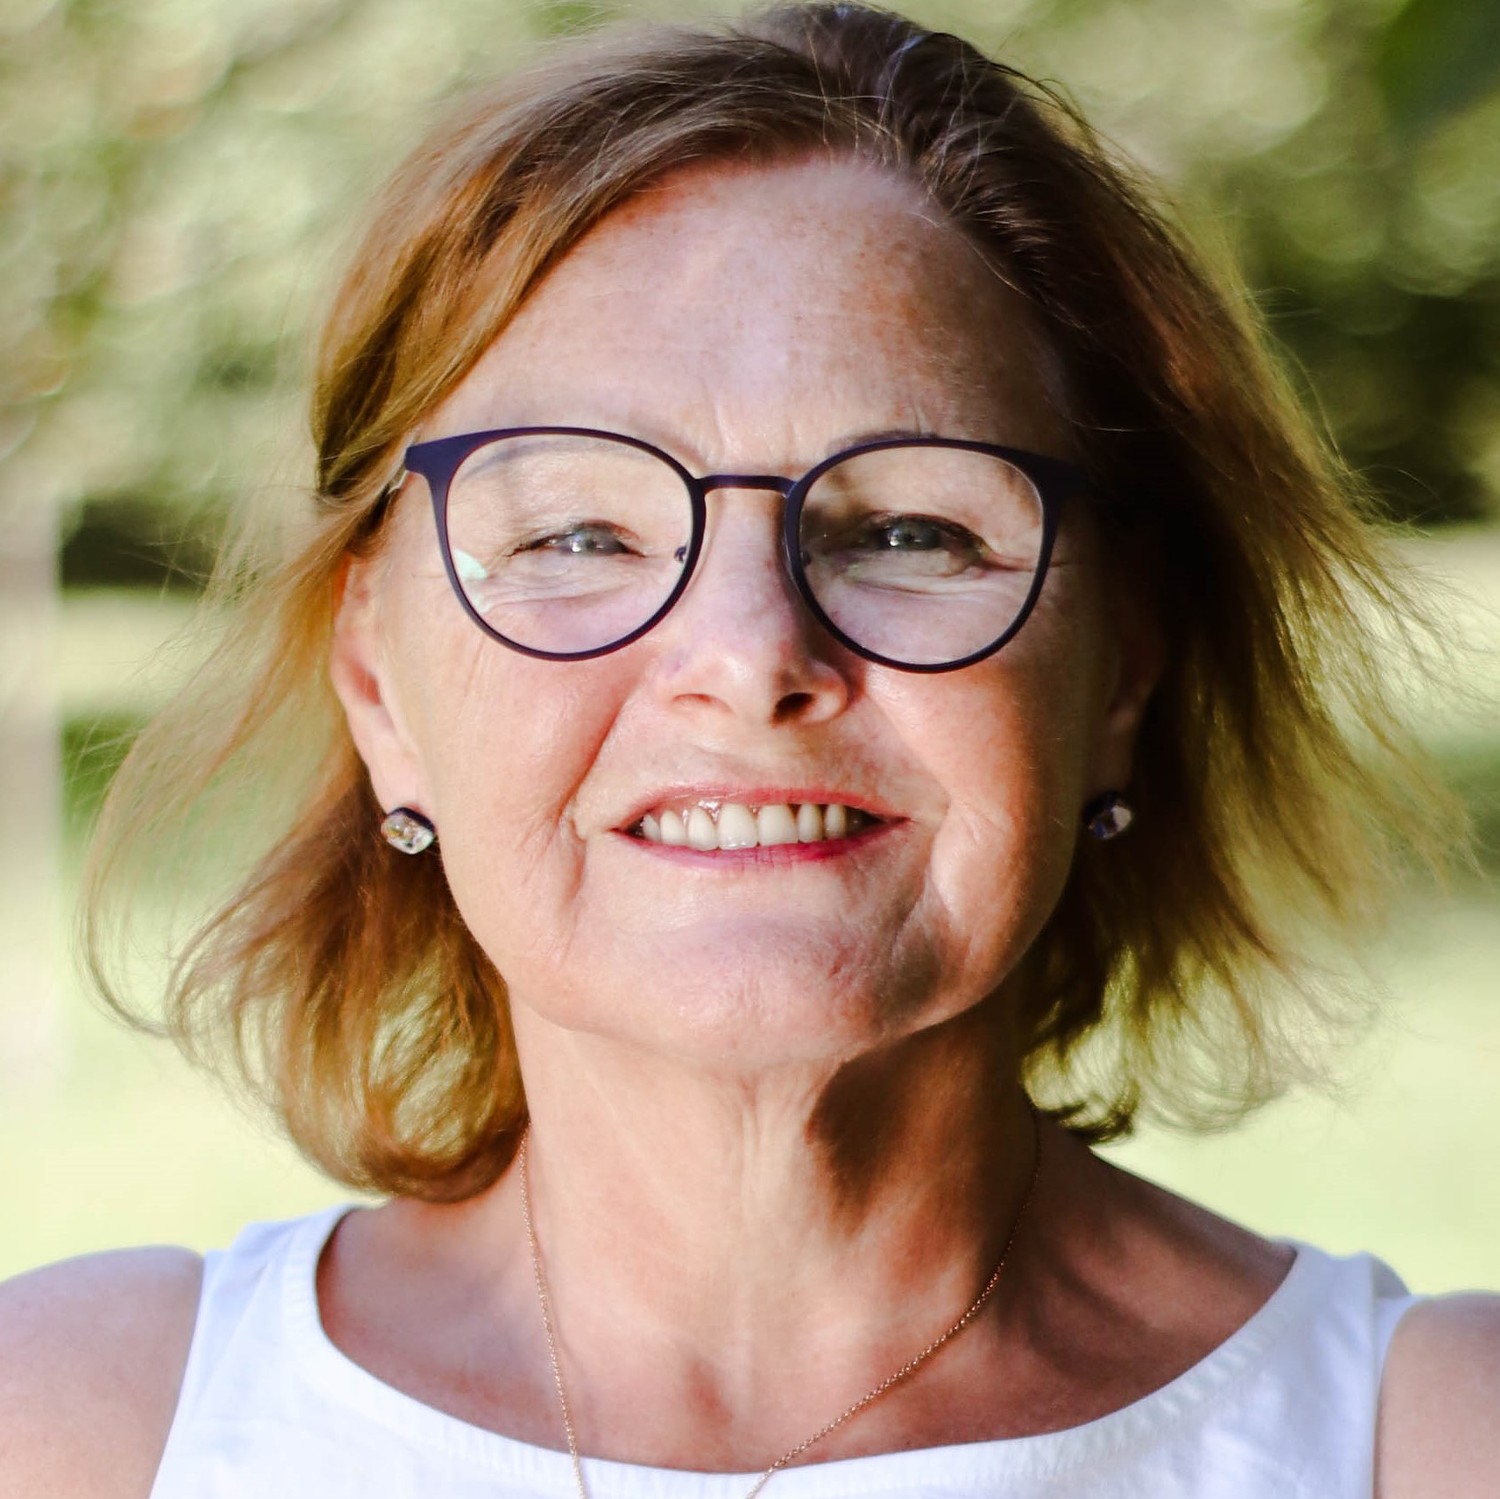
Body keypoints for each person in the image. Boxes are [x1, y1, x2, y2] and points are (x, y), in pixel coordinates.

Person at [3, 3, 1497, 1495]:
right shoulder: (73, 1429)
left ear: (1121, 671)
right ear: (381, 688)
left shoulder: (1428, 1440)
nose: (749, 656)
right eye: (579, 534)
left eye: (910, 531)